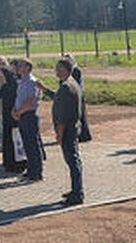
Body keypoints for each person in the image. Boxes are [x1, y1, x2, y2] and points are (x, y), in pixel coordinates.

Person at [45, 58, 84, 206]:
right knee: (73, 161)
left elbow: (63, 115)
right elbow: (58, 100)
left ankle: (77, 193)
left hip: (68, 129)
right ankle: (76, 190)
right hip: (72, 127)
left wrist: (59, 134)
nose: (56, 71)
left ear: (66, 70)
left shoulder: (66, 87)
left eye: (59, 69)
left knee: (72, 161)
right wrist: (45, 90)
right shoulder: (71, 84)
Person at [12, 59, 44, 183]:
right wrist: (14, 110)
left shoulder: (31, 82)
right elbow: (19, 98)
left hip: (29, 115)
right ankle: (30, 171)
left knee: (33, 145)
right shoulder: (22, 81)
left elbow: (30, 101)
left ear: (28, 68)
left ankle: (36, 173)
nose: (18, 67)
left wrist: (18, 112)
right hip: (22, 115)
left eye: (21, 65)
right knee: (27, 145)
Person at [0, 59, 26, 174]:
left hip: (12, 117)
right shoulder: (10, 86)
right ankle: (12, 163)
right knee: (12, 141)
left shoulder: (9, 87)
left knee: (15, 141)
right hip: (9, 118)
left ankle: (15, 164)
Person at [64, 54, 92, 142]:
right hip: (70, 95)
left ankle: (84, 135)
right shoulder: (68, 70)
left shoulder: (76, 70)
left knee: (80, 115)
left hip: (77, 95)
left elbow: (77, 84)